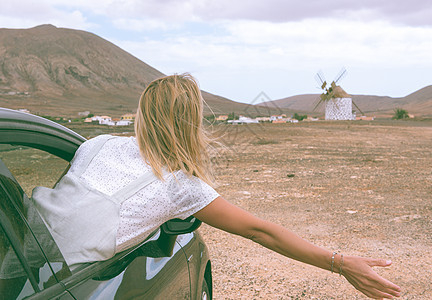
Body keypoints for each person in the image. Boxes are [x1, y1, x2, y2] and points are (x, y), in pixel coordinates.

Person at [33, 73, 401, 299]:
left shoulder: (96, 144)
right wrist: (340, 263)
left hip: (22, 259)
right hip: (59, 284)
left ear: (142, 114)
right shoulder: (181, 187)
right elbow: (262, 232)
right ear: (191, 121)